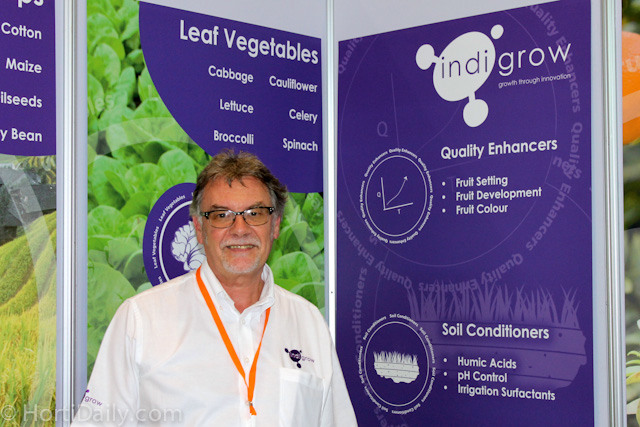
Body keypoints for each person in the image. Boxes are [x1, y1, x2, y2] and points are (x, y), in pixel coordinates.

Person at [73, 150, 357, 426]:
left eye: (255, 213)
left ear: (275, 226)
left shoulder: (308, 322)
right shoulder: (141, 319)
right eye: (222, 215)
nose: (240, 229)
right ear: (199, 229)